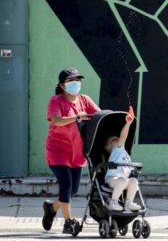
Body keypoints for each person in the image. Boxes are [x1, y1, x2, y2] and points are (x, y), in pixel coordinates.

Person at [42, 67, 101, 234]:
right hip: (57, 151)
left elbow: (99, 115)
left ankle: (51, 208)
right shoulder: (56, 101)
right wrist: (76, 117)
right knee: (66, 185)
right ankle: (68, 222)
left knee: (73, 190)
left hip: (77, 153)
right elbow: (56, 121)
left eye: (78, 80)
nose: (76, 83)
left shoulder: (84, 100)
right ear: (61, 85)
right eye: (71, 81)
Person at [104, 106, 142, 212]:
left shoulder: (124, 153)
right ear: (108, 148)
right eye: (112, 140)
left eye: (116, 139)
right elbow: (123, 136)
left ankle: (128, 202)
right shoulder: (117, 150)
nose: (116, 140)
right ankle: (113, 202)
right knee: (122, 180)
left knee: (133, 181)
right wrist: (128, 123)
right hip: (112, 178)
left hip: (123, 179)